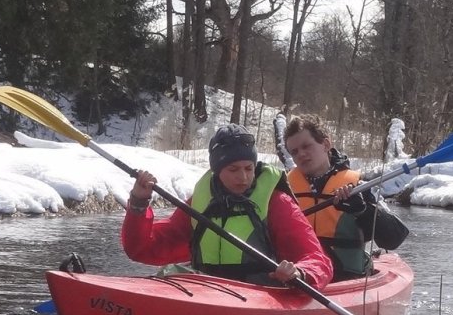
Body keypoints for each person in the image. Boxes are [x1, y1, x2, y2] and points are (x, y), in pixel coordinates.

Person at [122, 124, 333, 290]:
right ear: (217, 169)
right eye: (233, 169)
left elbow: (317, 260)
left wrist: (300, 272)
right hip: (208, 289)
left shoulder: (277, 203)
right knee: (169, 273)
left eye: (249, 168)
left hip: (261, 293)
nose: (243, 177)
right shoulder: (200, 202)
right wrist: (139, 203)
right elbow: (143, 249)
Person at [283, 115, 409, 281]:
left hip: (346, 278)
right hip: (299, 278)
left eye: (306, 146)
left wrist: (362, 211)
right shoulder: (284, 188)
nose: (301, 154)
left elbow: (394, 239)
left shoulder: (358, 186)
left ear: (326, 144)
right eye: (294, 152)